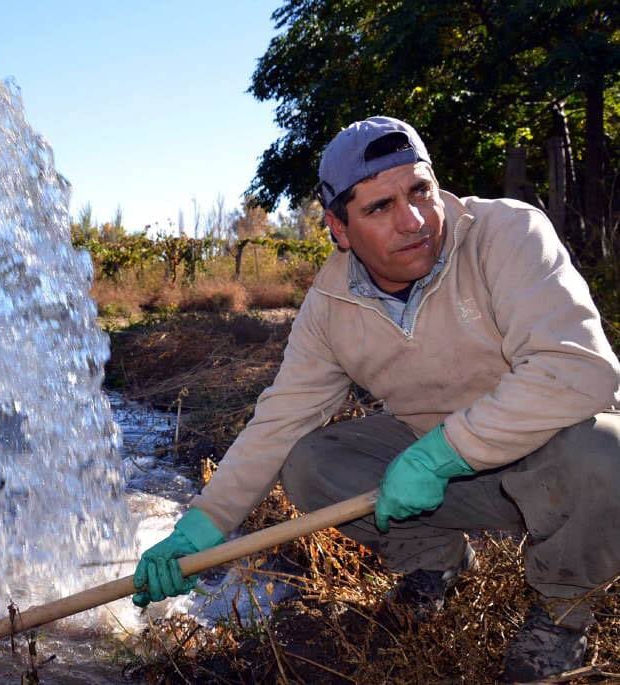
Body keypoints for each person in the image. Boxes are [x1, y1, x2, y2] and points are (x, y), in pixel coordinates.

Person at [131, 116, 620, 682]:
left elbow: (578, 371)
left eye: (420, 191)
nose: (413, 221)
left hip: (555, 463)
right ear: (339, 229)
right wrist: (200, 528)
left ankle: (561, 615)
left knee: (606, 452)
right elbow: (279, 420)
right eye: (379, 208)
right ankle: (433, 566)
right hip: (452, 485)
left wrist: (442, 454)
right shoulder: (330, 304)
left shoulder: (506, 233)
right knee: (311, 460)